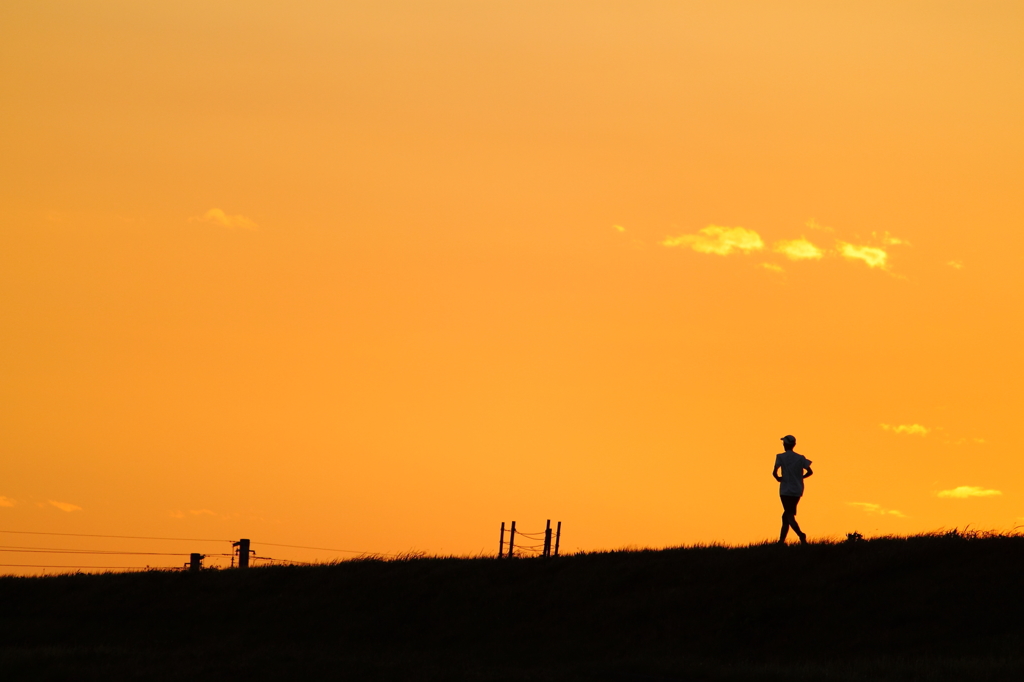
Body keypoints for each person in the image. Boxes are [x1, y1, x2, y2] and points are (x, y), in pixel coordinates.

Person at [773, 434, 812, 545]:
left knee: (788, 514)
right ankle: (781, 541)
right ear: (794, 445)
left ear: (785, 444)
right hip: (797, 490)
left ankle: (801, 534)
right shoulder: (800, 458)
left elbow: (774, 473)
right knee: (786, 515)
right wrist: (800, 478)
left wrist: (779, 478)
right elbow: (810, 472)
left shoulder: (780, 457)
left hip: (785, 490)